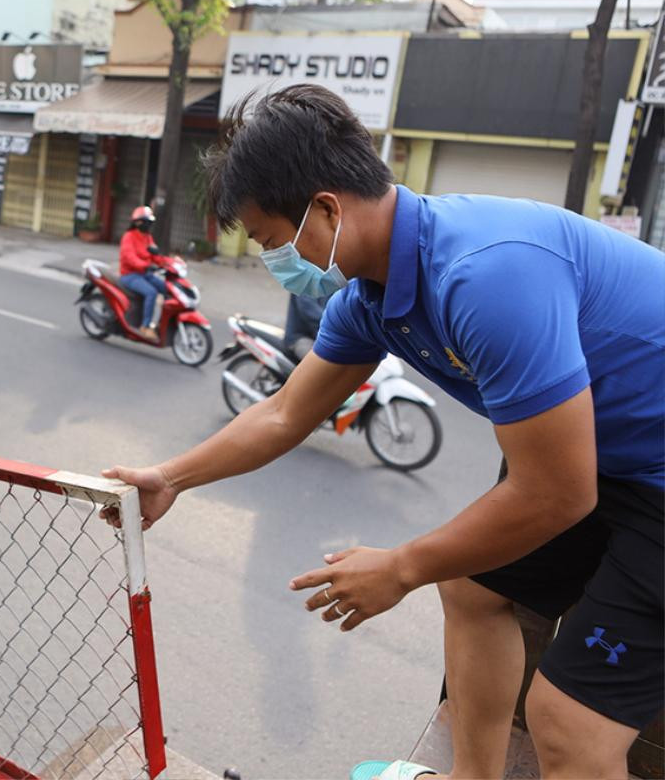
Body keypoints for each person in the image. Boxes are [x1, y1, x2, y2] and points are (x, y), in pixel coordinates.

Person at [102, 85, 664, 780]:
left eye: (277, 242)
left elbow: (557, 492)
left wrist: (399, 568)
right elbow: (282, 413)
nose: (281, 264)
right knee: (469, 586)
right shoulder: (371, 297)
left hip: (645, 474)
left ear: (328, 207)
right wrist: (171, 478)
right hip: (609, 454)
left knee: (568, 725)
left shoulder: (481, 277)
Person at [119, 205, 168, 341]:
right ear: (138, 222)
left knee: (167, 289)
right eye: (146, 222)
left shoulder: (147, 237)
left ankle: (162, 324)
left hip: (145, 273)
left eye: (149, 223)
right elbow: (129, 258)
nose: (148, 225)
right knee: (151, 292)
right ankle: (145, 327)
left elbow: (155, 256)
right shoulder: (128, 237)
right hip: (130, 275)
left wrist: (168, 263)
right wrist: (146, 265)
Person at [283, 293, 327, 360]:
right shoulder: (305, 285)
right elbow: (311, 313)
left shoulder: (338, 287)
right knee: (321, 364)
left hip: (323, 337)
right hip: (301, 337)